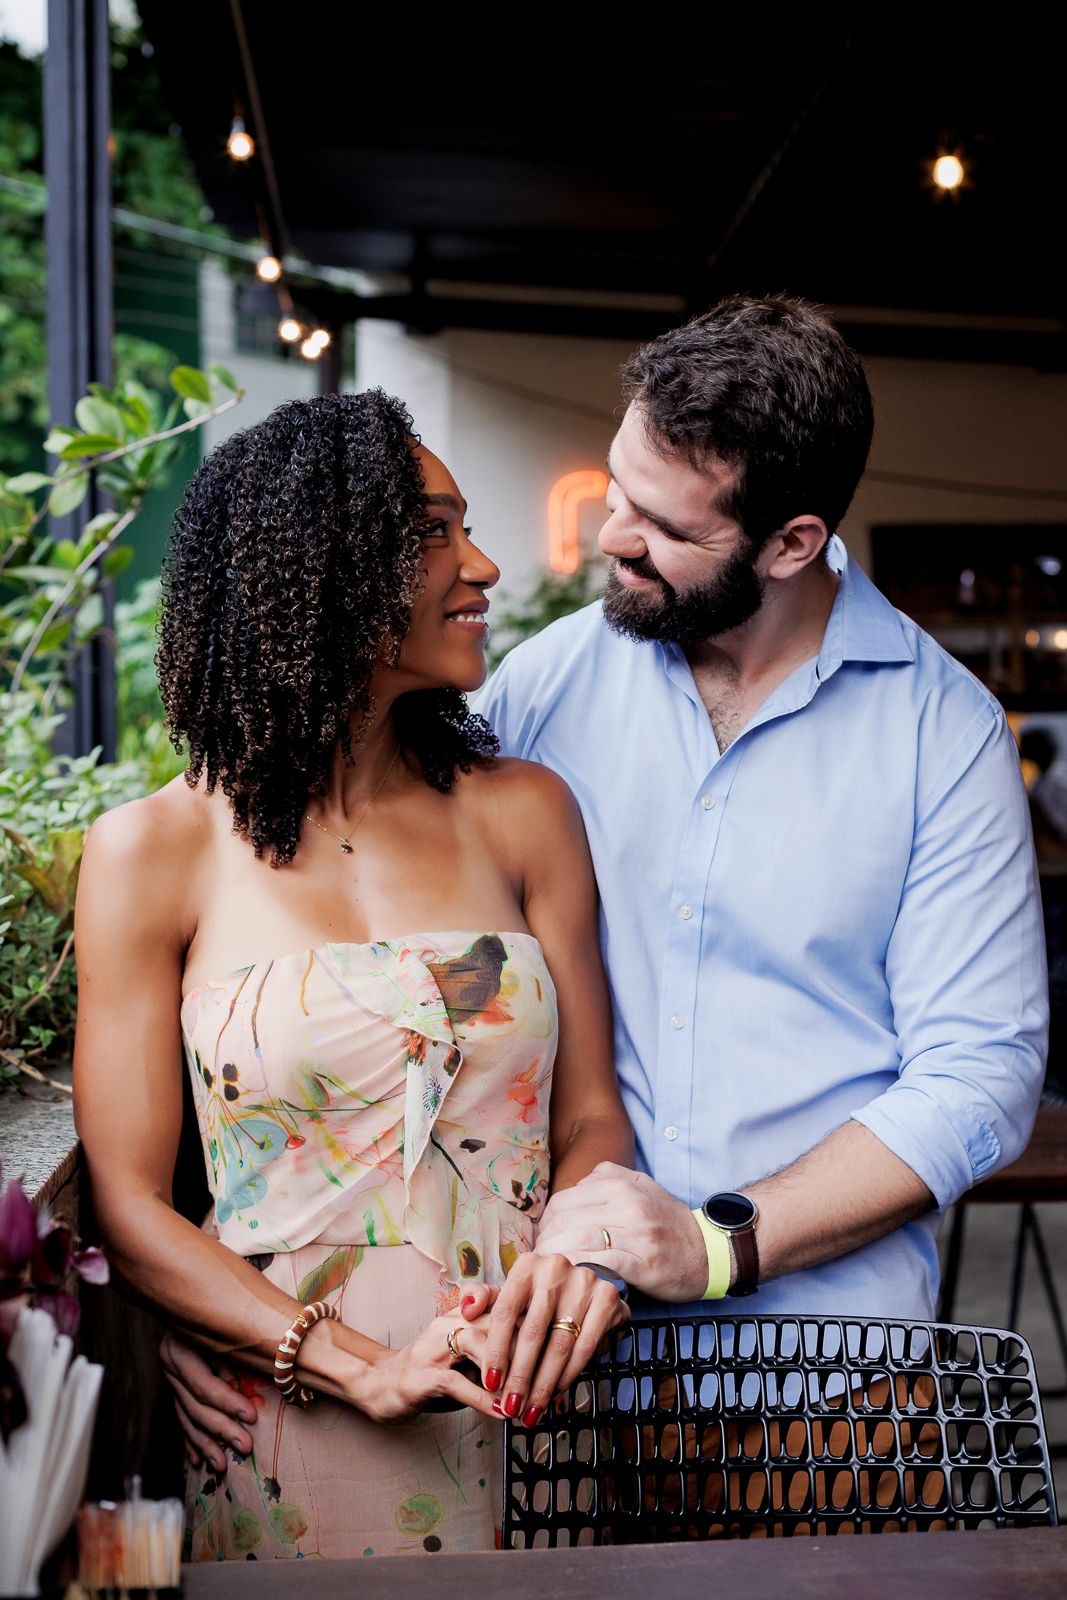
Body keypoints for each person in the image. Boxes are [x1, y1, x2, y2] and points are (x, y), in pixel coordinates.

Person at [165, 295, 1048, 1464]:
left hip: (828, 1386)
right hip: (547, 1397)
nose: (609, 537)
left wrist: (717, 1243)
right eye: (616, 488)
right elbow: (315, 932)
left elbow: (980, 1073)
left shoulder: (944, 734)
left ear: (790, 543)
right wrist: (232, 1303)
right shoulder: (536, 690)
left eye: (659, 523)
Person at [72, 389, 631, 1561]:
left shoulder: (525, 814)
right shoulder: (149, 853)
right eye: (431, 532)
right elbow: (128, 1203)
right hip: (289, 1413)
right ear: (319, 569)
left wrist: (567, 1271)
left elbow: (589, 1117)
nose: (481, 565)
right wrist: (345, 1362)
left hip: (531, 1389)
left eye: (466, 527)